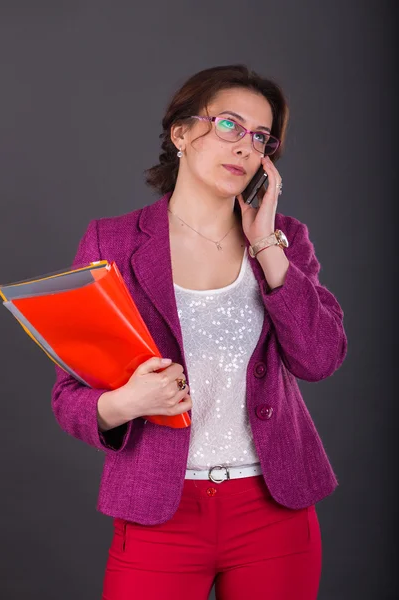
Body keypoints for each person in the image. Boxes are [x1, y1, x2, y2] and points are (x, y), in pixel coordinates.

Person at [51, 64, 348, 600]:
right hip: (158, 509)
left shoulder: (286, 241)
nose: (245, 147)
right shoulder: (111, 241)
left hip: (273, 510)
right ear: (181, 133)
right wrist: (126, 402)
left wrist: (265, 243)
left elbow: (321, 357)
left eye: (261, 138)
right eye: (229, 125)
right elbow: (68, 396)